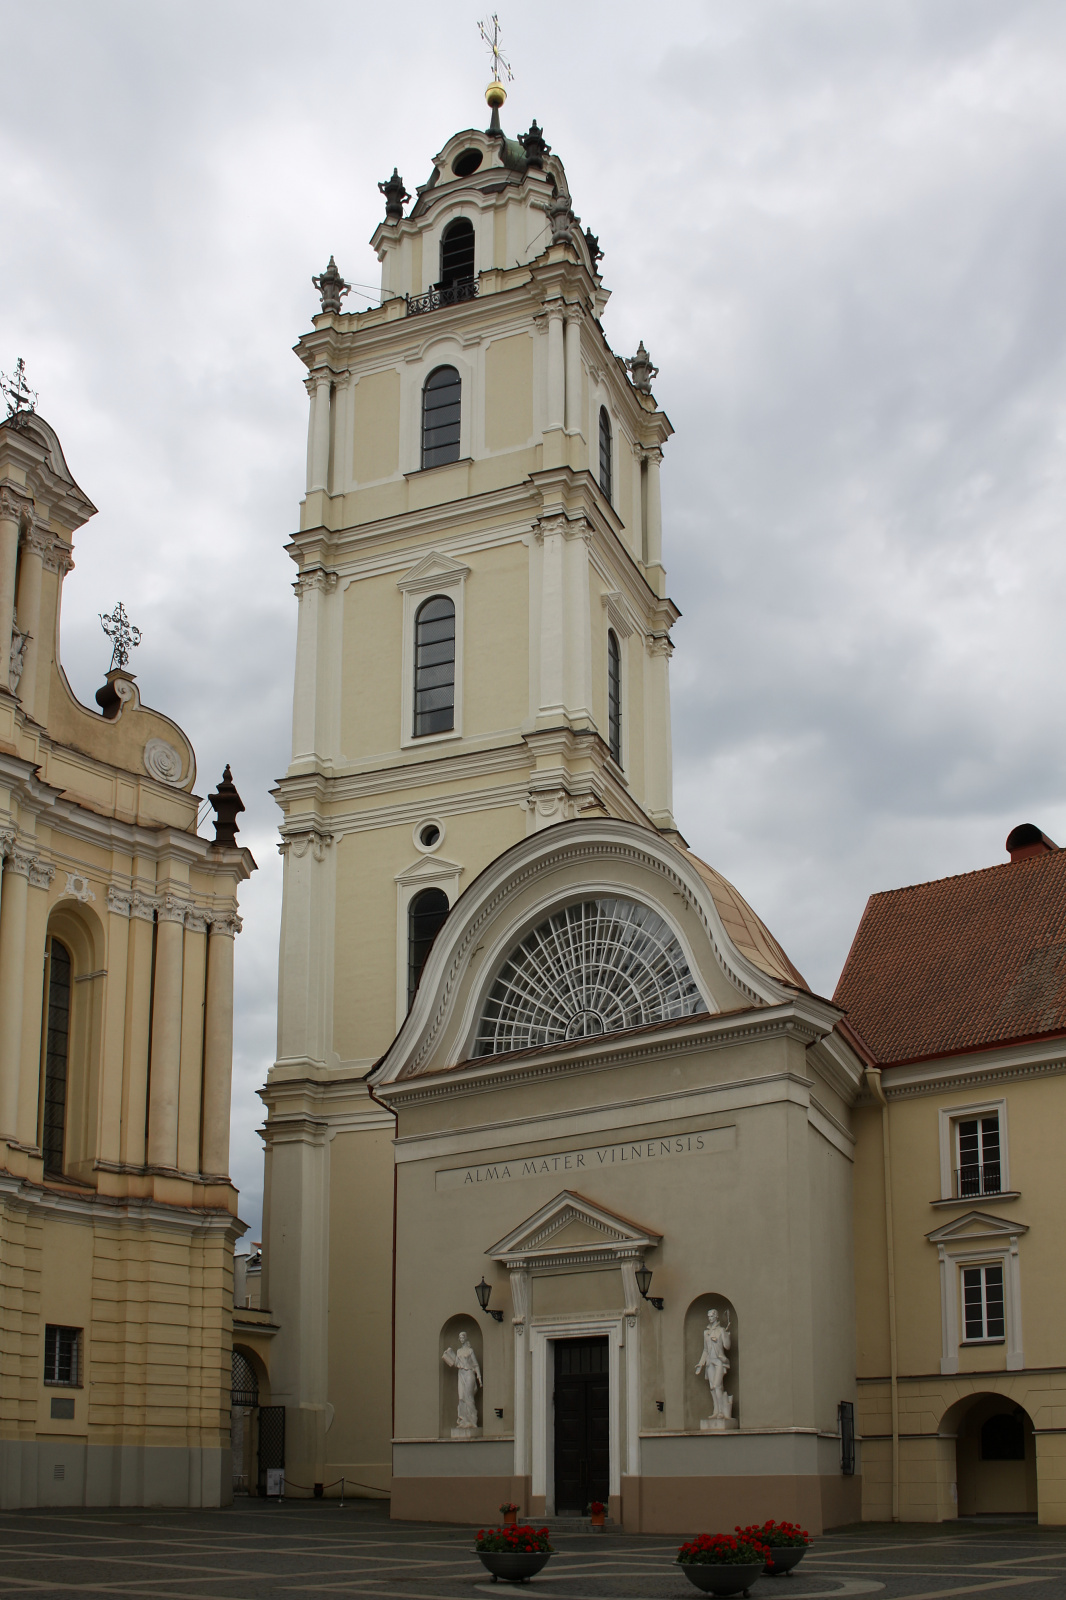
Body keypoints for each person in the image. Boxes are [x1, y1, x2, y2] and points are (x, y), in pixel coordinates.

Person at [695, 1307, 732, 1418]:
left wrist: (726, 1336)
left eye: (711, 1316)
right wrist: (701, 1363)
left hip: (718, 1361)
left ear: (716, 1316)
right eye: (708, 1316)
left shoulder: (721, 1330)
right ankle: (716, 1410)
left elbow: (727, 1346)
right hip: (709, 1361)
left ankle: (721, 1411)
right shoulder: (706, 1332)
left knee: (717, 1385)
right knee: (712, 1387)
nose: (710, 1318)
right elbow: (705, 1350)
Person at [442, 1330, 482, 1428]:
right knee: (461, 1397)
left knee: (469, 1397)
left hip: (469, 1373)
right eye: (460, 1337)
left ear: (466, 1337)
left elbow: (475, 1364)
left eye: (463, 1337)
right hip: (461, 1374)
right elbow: (456, 1363)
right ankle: (464, 1420)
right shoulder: (459, 1351)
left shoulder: (470, 1350)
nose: (461, 1339)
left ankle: (472, 1420)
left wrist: (479, 1377)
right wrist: (449, 1355)